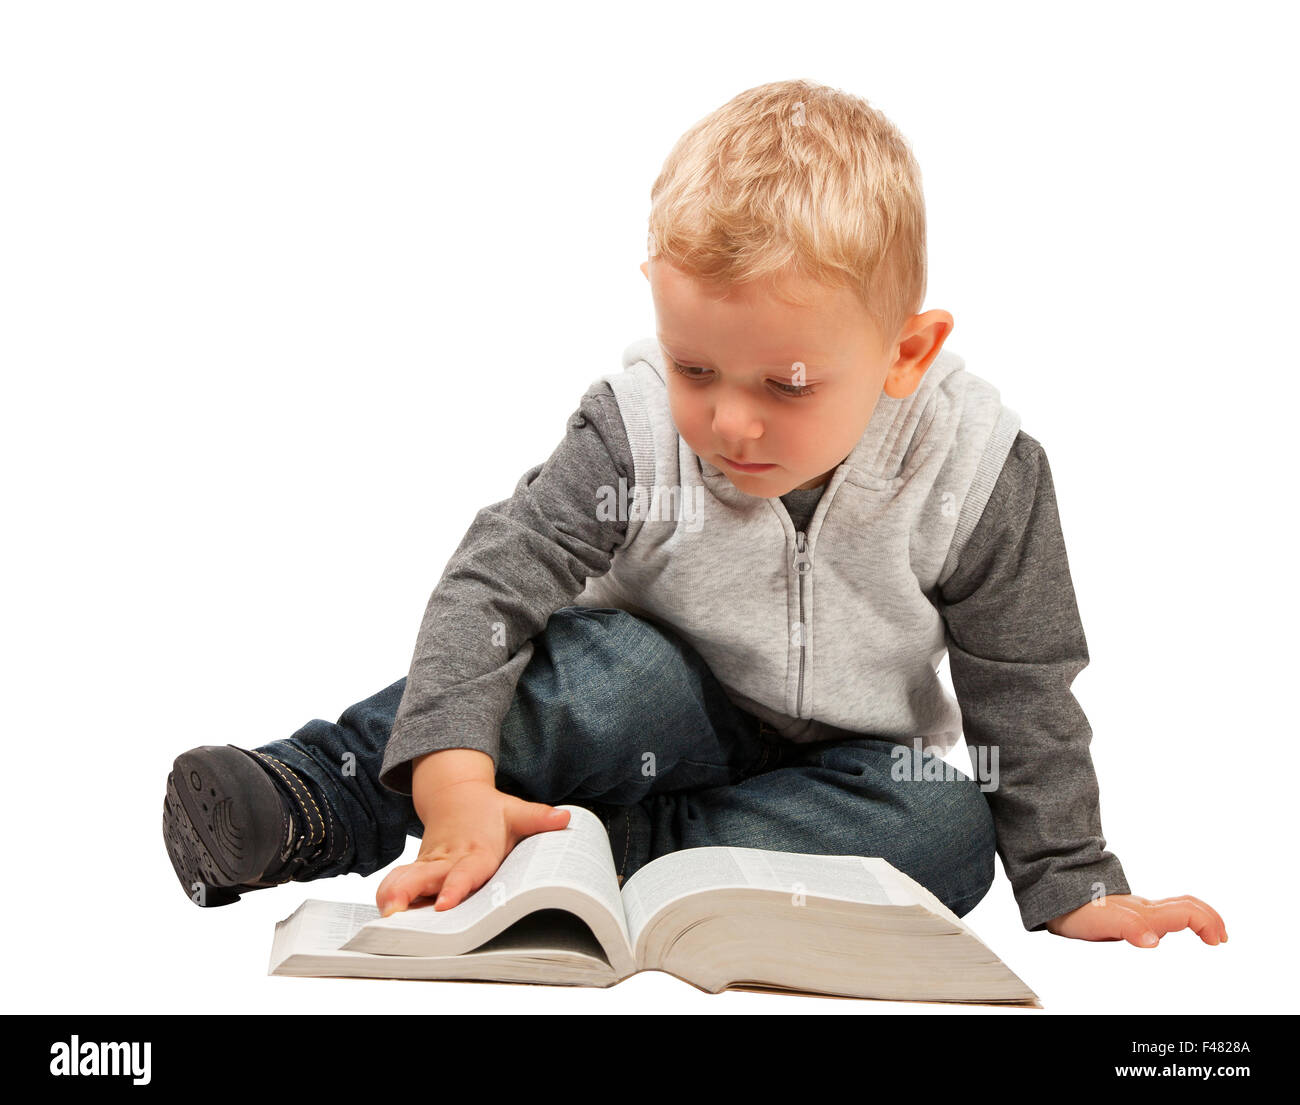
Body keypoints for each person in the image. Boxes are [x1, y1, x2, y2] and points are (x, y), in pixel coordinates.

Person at [162, 78, 1226, 948]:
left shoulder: (980, 469)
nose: (730, 422)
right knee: (614, 676)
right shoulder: (631, 432)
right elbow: (495, 583)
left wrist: (1070, 874)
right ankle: (314, 794)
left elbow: (1022, 682)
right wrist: (449, 779)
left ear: (906, 353)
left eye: (786, 386)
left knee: (946, 831)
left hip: (829, 772)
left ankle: (600, 852)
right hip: (645, 709)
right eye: (696, 367)